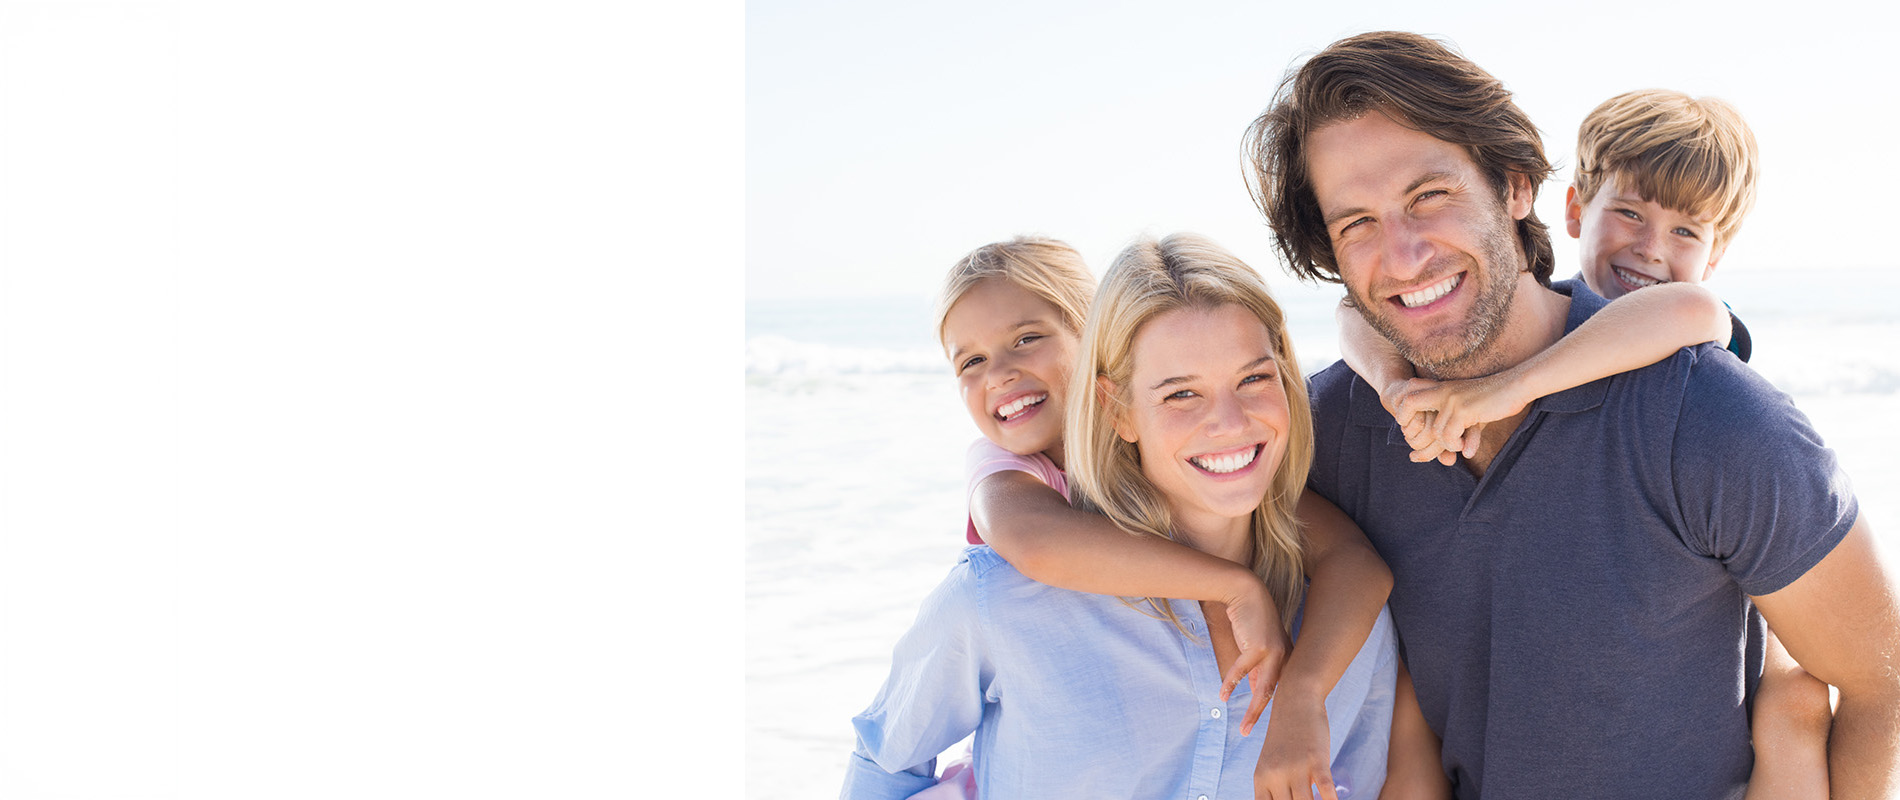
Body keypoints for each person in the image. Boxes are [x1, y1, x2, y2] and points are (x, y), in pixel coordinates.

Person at [1243, 30, 1900, 799]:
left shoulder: (1707, 417)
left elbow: (1876, 681)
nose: (1405, 253)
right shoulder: (1329, 429)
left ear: (1516, 187)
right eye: (1356, 223)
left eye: (1430, 196)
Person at [842, 233, 1449, 800]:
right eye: (1180, 393)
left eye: (1255, 379)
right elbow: (884, 760)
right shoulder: (1002, 583)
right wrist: (1235, 588)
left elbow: (1353, 563)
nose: (1229, 423)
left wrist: (1303, 688)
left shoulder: (1342, 619)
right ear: (1116, 409)